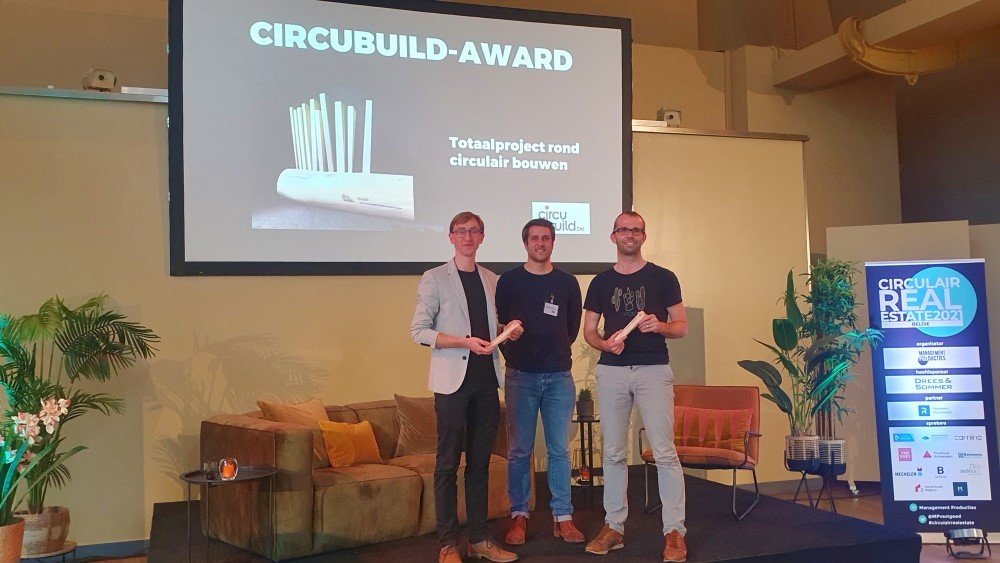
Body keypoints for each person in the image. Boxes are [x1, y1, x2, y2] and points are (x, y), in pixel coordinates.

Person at [410, 211, 523, 563]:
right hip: (451, 385)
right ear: (451, 236)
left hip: (486, 382)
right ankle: (447, 544)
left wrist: (507, 330)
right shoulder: (434, 278)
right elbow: (419, 331)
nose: (468, 237)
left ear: (482, 236)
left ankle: (479, 539)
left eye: (474, 231)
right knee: (447, 465)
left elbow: (489, 327)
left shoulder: (491, 279)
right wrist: (463, 341)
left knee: (479, 465)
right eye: (461, 231)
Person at [581, 211, 689, 563]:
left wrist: (660, 326)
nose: (630, 235)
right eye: (623, 229)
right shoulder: (600, 282)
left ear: (644, 236)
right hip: (611, 371)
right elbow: (589, 332)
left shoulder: (664, 278)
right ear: (613, 236)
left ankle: (674, 532)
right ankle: (614, 527)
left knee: (664, 452)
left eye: (636, 230)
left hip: (653, 370)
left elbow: (681, 326)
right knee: (613, 452)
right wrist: (604, 344)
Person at [495, 218, 585, 546]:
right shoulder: (508, 281)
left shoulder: (567, 282)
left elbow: (571, 328)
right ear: (525, 243)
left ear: (553, 242)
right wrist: (511, 346)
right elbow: (499, 326)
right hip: (520, 376)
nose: (540, 243)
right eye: (534, 238)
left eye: (546, 238)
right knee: (519, 451)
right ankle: (519, 515)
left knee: (559, 450)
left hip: (559, 376)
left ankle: (563, 517)